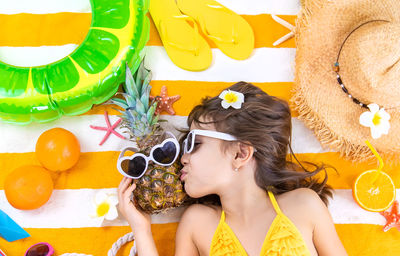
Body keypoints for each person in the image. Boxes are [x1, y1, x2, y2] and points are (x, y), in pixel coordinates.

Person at [118, 82, 347, 256]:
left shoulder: (304, 206)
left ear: (240, 154)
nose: (183, 158)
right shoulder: (197, 223)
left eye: (194, 144)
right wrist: (141, 230)